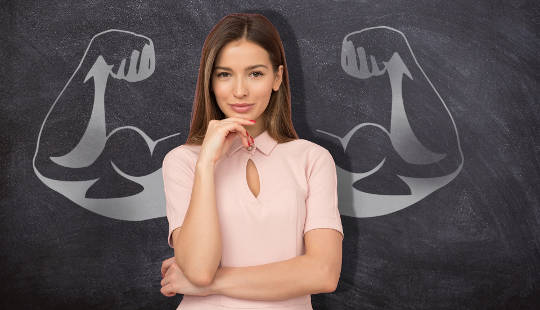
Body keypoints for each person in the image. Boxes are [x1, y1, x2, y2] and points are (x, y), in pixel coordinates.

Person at [159, 13, 344, 310]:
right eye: (224, 74)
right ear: (210, 81)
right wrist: (205, 164)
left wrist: (211, 285)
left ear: (277, 78)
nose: (240, 90)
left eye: (255, 74)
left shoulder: (312, 159)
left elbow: (323, 274)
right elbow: (198, 269)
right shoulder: (182, 162)